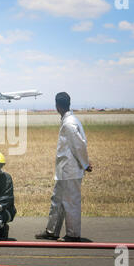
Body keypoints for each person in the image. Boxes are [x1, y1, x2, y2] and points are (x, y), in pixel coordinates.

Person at [35, 92, 92, 242]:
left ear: (57, 105)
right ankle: (52, 231)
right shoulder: (68, 120)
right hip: (64, 171)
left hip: (70, 171)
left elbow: (79, 145)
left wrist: (85, 164)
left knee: (70, 202)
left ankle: (73, 235)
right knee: (57, 201)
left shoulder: (69, 123)